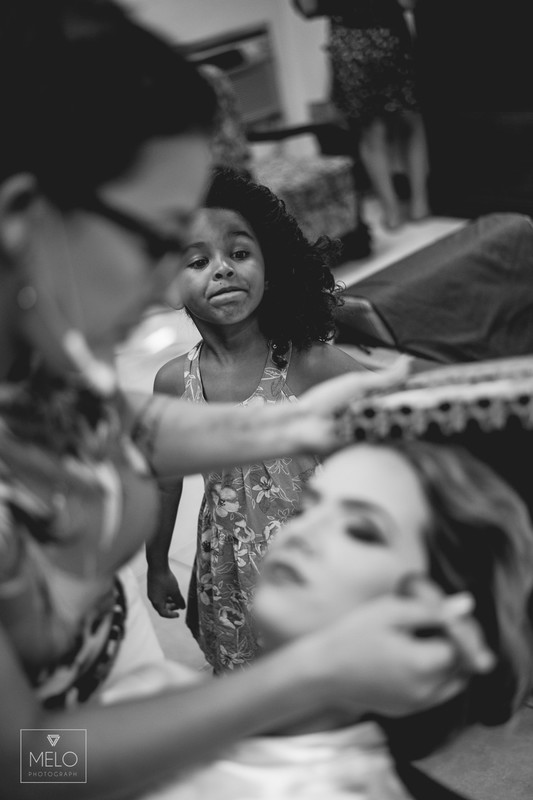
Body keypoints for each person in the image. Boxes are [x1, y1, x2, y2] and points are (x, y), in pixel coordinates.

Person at [0, 2, 494, 798]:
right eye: (160, 241)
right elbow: (27, 764)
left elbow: (124, 425)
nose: (176, 285)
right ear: (25, 218)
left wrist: (299, 418)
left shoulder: (42, 352)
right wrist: (306, 675)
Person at [145, 441, 531, 799]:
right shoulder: (150, 698)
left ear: (435, 611)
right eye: (305, 510)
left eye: (361, 531)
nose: (301, 533)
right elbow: (81, 762)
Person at [147, 168, 369, 672]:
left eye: (240, 254)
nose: (222, 270)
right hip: (229, 566)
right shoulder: (172, 384)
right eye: (198, 260)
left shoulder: (307, 362)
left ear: (271, 267)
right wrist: (157, 563)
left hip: (314, 562)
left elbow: (384, 414)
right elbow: (164, 484)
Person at [293, 0, 430, 230]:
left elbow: (308, 8)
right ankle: (419, 205)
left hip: (350, 43)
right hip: (389, 35)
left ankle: (392, 212)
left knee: (373, 132)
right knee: (409, 123)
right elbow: (407, 2)